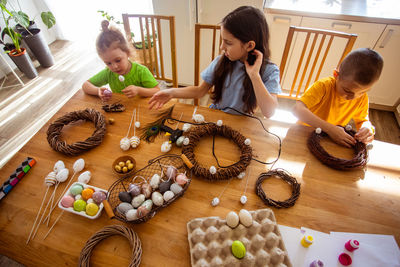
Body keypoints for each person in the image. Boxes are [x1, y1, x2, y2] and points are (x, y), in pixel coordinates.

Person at [148, 6, 281, 118]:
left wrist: (254, 76)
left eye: (228, 43)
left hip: (242, 123)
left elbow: (269, 112)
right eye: (222, 40)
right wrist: (171, 92)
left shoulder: (270, 71)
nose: (221, 47)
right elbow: (200, 91)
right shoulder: (222, 61)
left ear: (249, 46)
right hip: (216, 116)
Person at [293, 48, 384, 147]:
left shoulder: (362, 99)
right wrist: (330, 129)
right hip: (302, 134)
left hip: (328, 139)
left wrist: (367, 128)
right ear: (336, 75)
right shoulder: (324, 86)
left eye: (363, 92)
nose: (353, 97)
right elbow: (297, 110)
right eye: (347, 90)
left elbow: (363, 120)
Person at [82, 20, 159, 101]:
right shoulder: (108, 73)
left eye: (118, 60)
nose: (114, 67)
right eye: (108, 63)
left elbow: (156, 91)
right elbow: (85, 85)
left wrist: (138, 90)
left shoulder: (141, 71)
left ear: (127, 53)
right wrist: (97, 90)